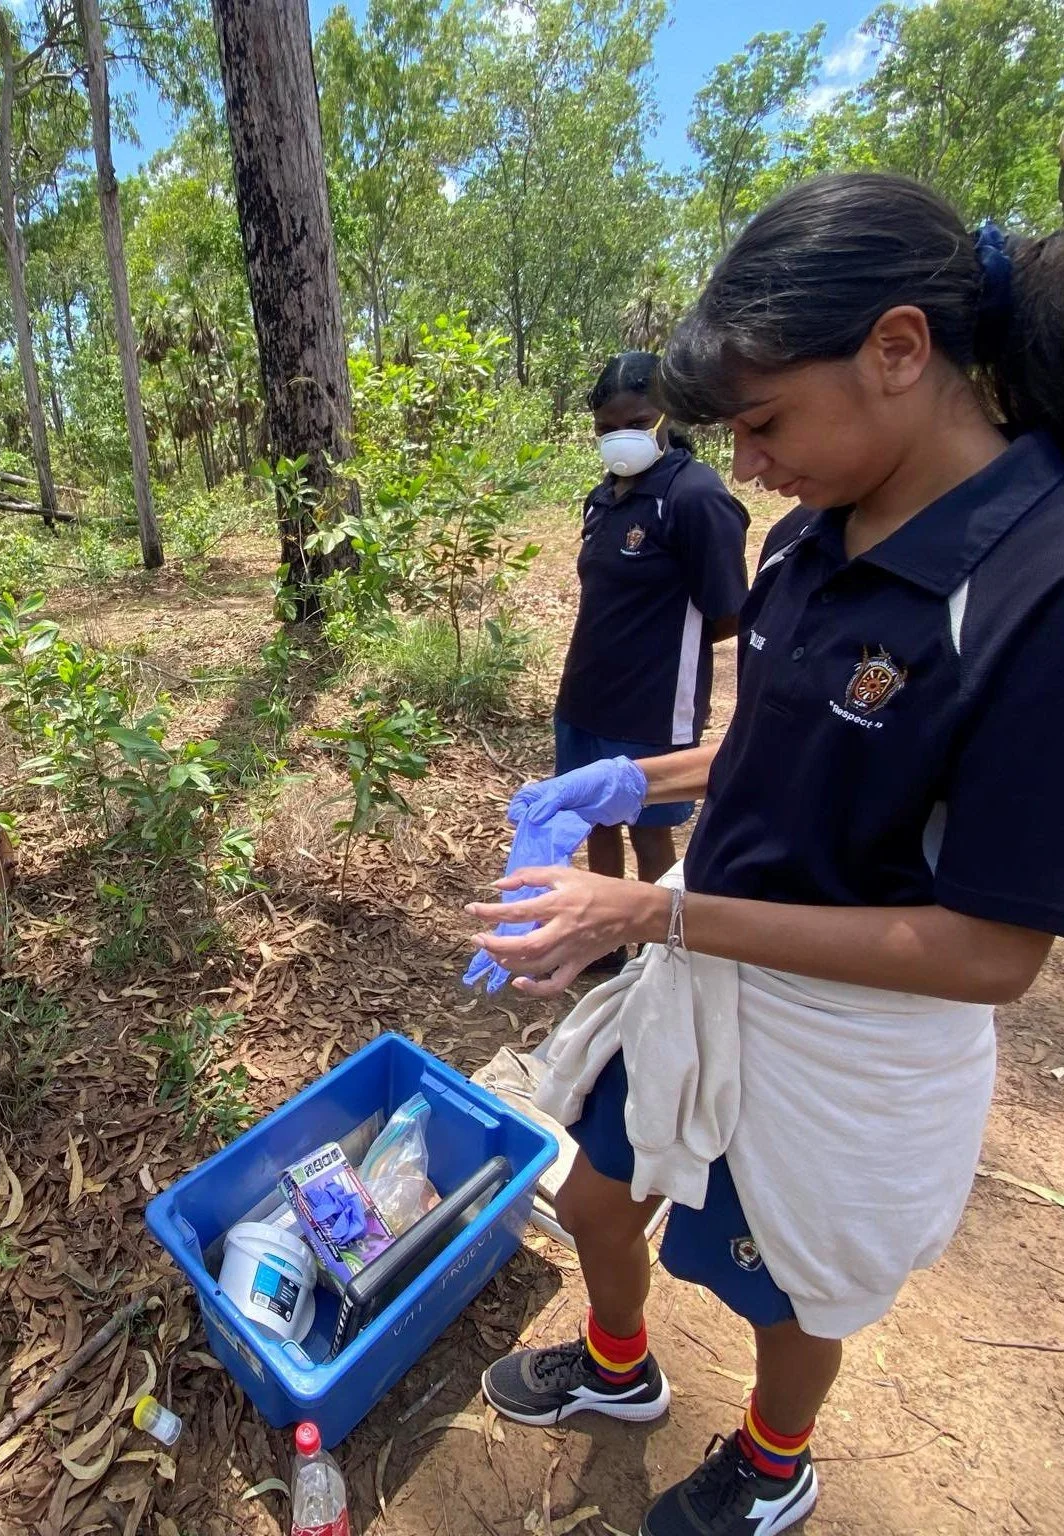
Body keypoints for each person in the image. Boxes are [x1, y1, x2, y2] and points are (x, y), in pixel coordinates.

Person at [471, 173, 1064, 1536]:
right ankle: (619, 1370)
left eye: (764, 421)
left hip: (845, 1038)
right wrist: (618, 776)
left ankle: (774, 1455)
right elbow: (773, 739)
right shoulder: (817, 531)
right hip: (713, 960)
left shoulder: (1033, 595)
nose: (747, 465)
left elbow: (989, 952)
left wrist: (649, 913)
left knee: (793, 1282)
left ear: (899, 352)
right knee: (599, 1190)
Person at [554, 353, 747, 967]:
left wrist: (657, 646)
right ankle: (608, 944)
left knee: (649, 825)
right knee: (595, 818)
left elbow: (727, 611)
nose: (620, 437)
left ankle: (658, 956)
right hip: (587, 693)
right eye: (606, 428)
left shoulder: (694, 496)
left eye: (634, 421)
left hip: (654, 700)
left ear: (666, 415)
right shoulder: (603, 498)